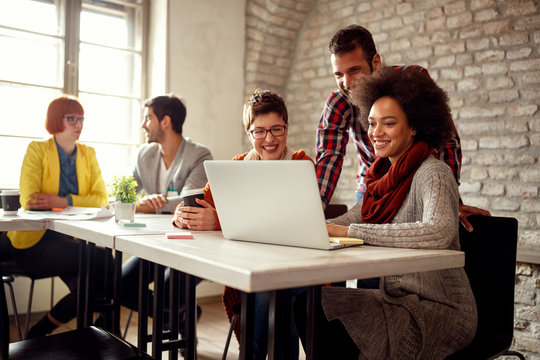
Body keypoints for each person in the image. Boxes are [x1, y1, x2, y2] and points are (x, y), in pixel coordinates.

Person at [295, 67, 478, 359]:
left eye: (389, 124)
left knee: (336, 326)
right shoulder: (381, 177)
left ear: (414, 126)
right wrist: (300, 226)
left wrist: (351, 232)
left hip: (441, 308)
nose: (376, 134)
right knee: (308, 305)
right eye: (372, 123)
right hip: (395, 300)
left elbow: (439, 230)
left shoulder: (434, 173)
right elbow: (349, 220)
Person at [173, 89, 310, 360]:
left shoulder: (301, 163)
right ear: (249, 134)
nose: (269, 139)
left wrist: (218, 220)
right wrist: (183, 216)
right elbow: (199, 202)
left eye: (276, 129)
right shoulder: (236, 166)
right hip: (256, 270)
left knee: (269, 288)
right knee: (263, 286)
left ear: (287, 128)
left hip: (301, 271)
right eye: (259, 131)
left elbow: (285, 221)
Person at [316, 24, 490, 232]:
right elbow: (328, 159)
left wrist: (449, 199)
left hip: (416, 183)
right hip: (373, 187)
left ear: (376, 63)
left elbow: (446, 141)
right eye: (338, 75)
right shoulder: (338, 103)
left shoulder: (411, 81)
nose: (346, 82)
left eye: (355, 70)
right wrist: (311, 213)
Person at [7, 95, 111, 338]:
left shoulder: (89, 154)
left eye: (82, 119)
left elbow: (101, 199)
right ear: (56, 119)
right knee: (102, 261)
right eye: (71, 118)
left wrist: (62, 201)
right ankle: (108, 329)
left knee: (89, 287)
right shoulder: (37, 149)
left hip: (71, 241)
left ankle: (39, 334)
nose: (79, 124)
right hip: (33, 243)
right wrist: (71, 202)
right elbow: (30, 199)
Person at [120, 94, 212, 325]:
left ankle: (176, 316)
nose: (143, 124)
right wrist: (140, 203)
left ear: (165, 121)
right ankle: (180, 319)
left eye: (147, 118)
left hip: (191, 245)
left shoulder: (200, 155)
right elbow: (123, 195)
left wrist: (148, 207)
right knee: (119, 284)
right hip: (157, 242)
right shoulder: (145, 154)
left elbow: (188, 202)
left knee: (168, 292)